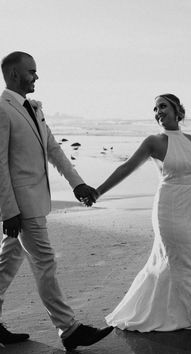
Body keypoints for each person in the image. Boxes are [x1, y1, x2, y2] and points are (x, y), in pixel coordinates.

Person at [87, 93, 191, 335]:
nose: (158, 112)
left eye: (163, 106)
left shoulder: (190, 139)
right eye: (155, 109)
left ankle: (171, 313)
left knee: (170, 263)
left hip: (187, 209)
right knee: (187, 263)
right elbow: (126, 167)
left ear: (178, 111)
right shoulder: (153, 142)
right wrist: (98, 191)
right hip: (167, 210)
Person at [0, 51, 113, 350]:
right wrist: (8, 211)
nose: (37, 76)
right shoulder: (2, 109)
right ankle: (69, 328)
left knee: (7, 264)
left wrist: (77, 184)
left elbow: (53, 149)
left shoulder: (33, 109)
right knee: (45, 261)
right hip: (21, 208)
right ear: (13, 75)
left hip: (33, 202)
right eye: (31, 71)